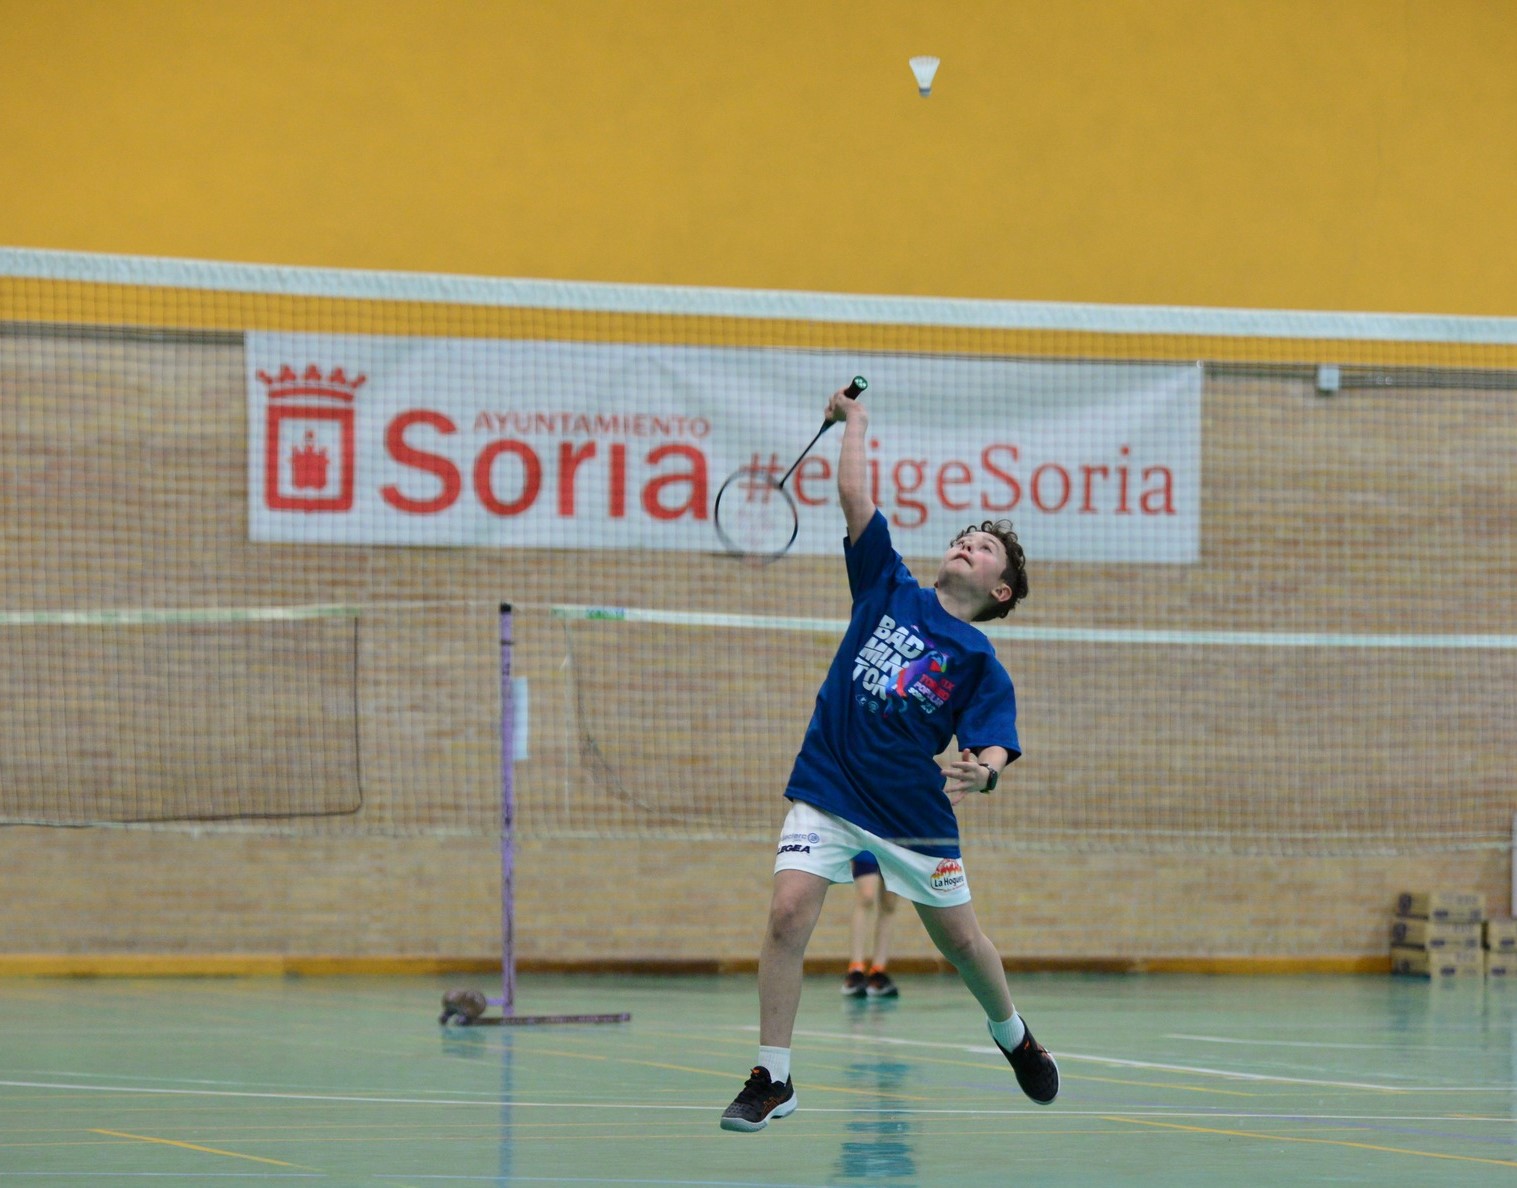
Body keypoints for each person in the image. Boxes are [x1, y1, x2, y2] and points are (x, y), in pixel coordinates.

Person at [719, 384, 1059, 1133]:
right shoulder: (885, 584)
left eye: (983, 547)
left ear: (998, 588)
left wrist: (987, 768)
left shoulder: (977, 658)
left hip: (911, 816)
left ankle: (1013, 1035)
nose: (965, 542)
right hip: (828, 784)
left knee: (962, 943)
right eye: (963, 535)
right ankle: (772, 1077)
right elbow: (852, 492)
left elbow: (995, 736)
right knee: (786, 912)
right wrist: (856, 421)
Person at [841, 851, 899, 999]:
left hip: (894, 839)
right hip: (867, 835)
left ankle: (878, 971)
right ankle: (856, 969)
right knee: (866, 896)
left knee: (890, 902)